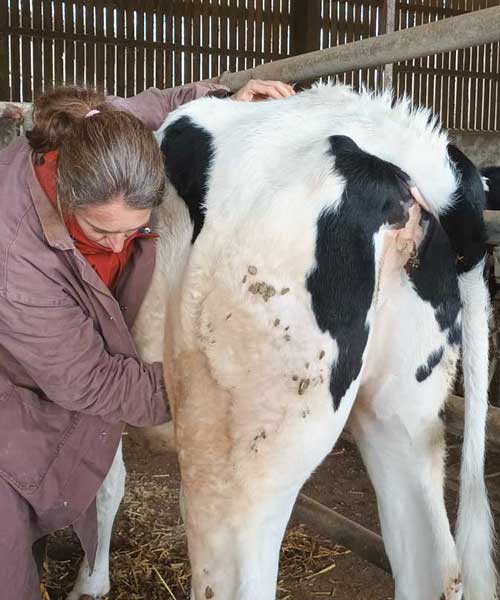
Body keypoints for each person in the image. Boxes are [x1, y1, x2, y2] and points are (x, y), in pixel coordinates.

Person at [0, 78, 295, 599]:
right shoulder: (15, 257)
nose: (119, 245)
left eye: (135, 231)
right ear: (66, 189)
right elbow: (91, 381)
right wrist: (219, 387)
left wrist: (222, 101)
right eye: (100, 231)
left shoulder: (96, 134)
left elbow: (149, 106)